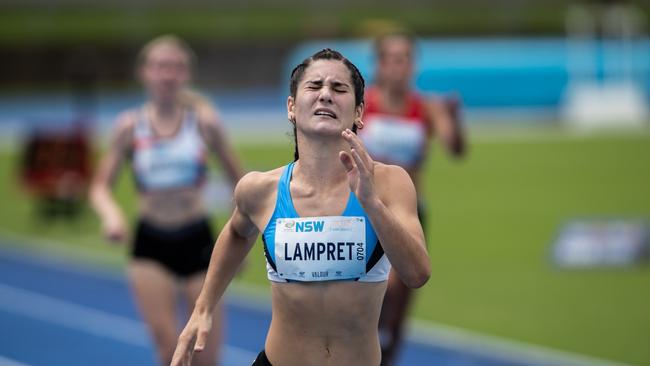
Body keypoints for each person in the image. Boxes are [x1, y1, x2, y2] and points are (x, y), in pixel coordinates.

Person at [170, 48, 430, 366]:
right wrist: (203, 308)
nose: (325, 95)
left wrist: (370, 203)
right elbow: (237, 233)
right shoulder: (260, 190)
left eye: (338, 88)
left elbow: (417, 273)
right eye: (314, 86)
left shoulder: (390, 183)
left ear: (359, 112)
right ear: (291, 107)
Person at [89, 35, 243, 366]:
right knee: (167, 350)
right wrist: (112, 216)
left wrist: (239, 240)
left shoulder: (204, 123)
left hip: (197, 240)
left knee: (205, 354)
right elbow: (100, 187)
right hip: (150, 243)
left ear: (185, 75)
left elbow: (242, 185)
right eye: (160, 66)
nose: (167, 74)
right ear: (144, 72)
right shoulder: (130, 127)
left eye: (175, 67)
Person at [359, 31, 465, 365]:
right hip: (364, 211)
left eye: (405, 58)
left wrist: (455, 117)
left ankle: (386, 355)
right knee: (377, 294)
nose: (398, 66)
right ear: (378, 64)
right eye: (391, 58)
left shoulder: (427, 107)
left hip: (408, 211)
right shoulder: (363, 104)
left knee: (399, 305)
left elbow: (455, 149)